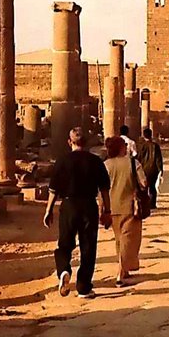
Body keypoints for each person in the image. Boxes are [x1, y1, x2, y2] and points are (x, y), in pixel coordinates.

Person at [44, 127, 111, 298]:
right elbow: (104, 190)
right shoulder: (96, 161)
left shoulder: (62, 161)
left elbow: (53, 190)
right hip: (89, 205)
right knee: (88, 246)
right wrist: (107, 211)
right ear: (87, 143)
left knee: (64, 243)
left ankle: (64, 270)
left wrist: (48, 210)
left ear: (69, 142)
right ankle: (83, 286)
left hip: (68, 205)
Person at [103, 135, 148, 286]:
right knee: (128, 241)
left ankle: (125, 269)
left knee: (119, 240)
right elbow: (144, 182)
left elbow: (101, 190)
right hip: (130, 207)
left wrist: (102, 209)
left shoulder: (106, 165)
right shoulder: (132, 163)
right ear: (122, 148)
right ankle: (120, 274)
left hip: (112, 208)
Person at [137, 127, 164, 210]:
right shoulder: (155, 146)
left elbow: (138, 158)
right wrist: (160, 170)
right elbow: (158, 159)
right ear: (151, 135)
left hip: (143, 169)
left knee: (143, 188)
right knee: (152, 187)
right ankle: (152, 204)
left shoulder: (141, 146)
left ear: (143, 136)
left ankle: (144, 205)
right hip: (153, 169)